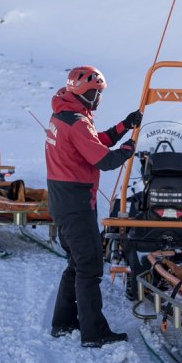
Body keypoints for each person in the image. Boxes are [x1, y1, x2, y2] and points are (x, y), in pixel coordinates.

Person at [45, 65, 143, 348]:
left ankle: (63, 323)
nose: (99, 98)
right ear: (83, 93)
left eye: (100, 93)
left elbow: (93, 141)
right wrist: (128, 150)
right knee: (89, 267)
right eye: (95, 93)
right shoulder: (75, 121)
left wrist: (124, 126)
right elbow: (103, 160)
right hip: (75, 203)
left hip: (64, 199)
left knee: (76, 263)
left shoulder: (66, 113)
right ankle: (94, 332)